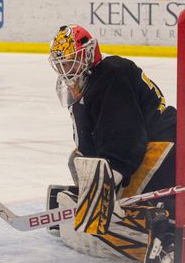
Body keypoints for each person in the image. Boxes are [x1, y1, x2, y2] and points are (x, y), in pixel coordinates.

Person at [46, 24, 176, 263]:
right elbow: (88, 144)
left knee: (132, 197)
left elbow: (126, 135)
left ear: (87, 54)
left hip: (165, 142)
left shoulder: (112, 72)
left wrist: (109, 181)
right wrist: (92, 188)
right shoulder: (81, 87)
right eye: (61, 64)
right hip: (143, 146)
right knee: (77, 159)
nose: (65, 70)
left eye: (70, 62)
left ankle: (168, 228)